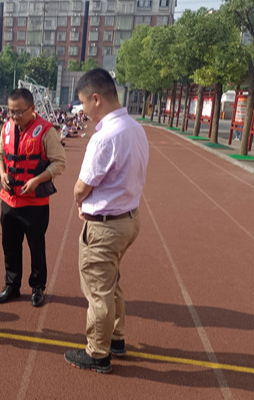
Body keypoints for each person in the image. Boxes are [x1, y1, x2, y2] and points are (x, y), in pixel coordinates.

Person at [64, 68, 148, 374]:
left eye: (84, 104)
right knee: (110, 282)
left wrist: (78, 202)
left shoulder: (105, 137)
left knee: (98, 290)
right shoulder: (135, 128)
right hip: (129, 219)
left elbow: (82, 186)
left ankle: (98, 352)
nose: (83, 111)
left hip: (105, 225)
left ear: (96, 99)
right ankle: (116, 338)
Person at [0, 88, 66, 307]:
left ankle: (37, 287)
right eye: (10, 112)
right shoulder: (6, 128)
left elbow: (59, 163)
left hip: (35, 204)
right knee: (10, 245)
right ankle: (12, 286)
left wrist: (37, 180)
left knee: (36, 247)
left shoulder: (46, 131)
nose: (14, 117)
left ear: (32, 109)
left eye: (18, 112)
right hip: (9, 200)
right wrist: (3, 172)